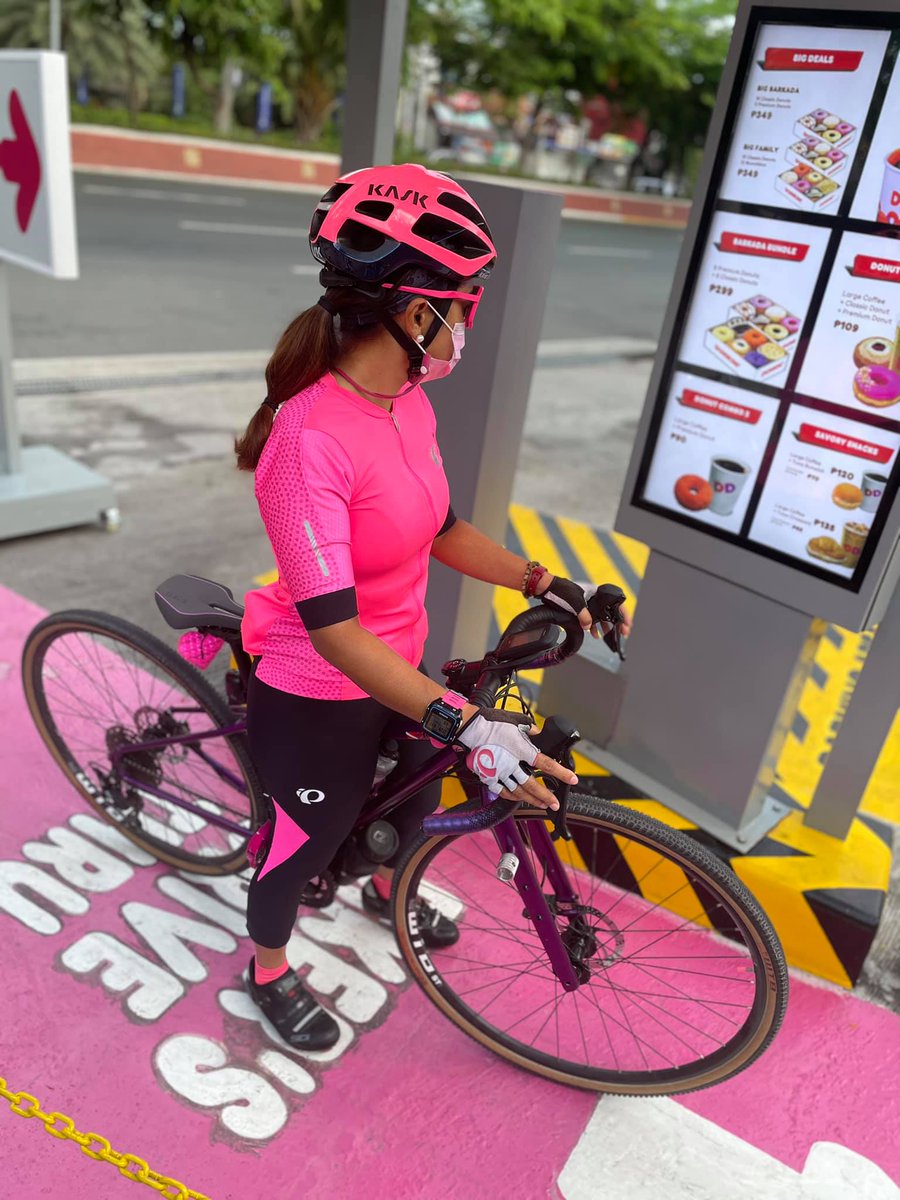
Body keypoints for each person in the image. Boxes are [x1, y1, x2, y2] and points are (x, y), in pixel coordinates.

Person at [234, 163, 628, 1050]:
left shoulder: (405, 402)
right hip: (318, 684)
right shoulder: (307, 440)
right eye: (463, 306)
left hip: (399, 663)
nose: (466, 324)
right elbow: (334, 631)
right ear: (418, 314)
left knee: (410, 804)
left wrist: (544, 581)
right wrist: (467, 721)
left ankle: (388, 889)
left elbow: (439, 526)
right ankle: (267, 967)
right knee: (303, 844)